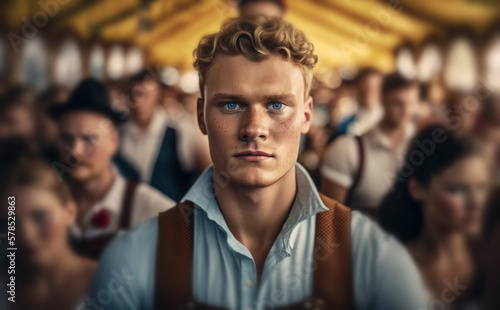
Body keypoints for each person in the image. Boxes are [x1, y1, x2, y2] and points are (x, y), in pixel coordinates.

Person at [89, 16, 428, 310]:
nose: (254, 129)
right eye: (232, 105)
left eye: (277, 105)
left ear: (306, 116)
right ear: (201, 116)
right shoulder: (133, 259)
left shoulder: (377, 260)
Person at [49, 78, 175, 259]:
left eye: (89, 139)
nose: (75, 152)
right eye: (66, 138)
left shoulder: (154, 211)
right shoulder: (45, 202)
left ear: (114, 141)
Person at [379, 125, 490, 307]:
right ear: (417, 189)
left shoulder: (491, 259)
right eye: (457, 189)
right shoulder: (391, 267)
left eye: (480, 188)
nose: (475, 203)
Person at [0, 146, 96, 310]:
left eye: (40, 216)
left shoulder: (106, 279)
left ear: (70, 212)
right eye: (11, 222)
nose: (26, 235)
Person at [320, 73, 419, 218]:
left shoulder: (422, 144)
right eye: (397, 103)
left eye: (411, 103)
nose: (406, 111)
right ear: (382, 100)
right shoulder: (347, 149)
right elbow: (330, 220)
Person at [117, 69, 208, 201]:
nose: (138, 102)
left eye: (144, 95)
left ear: (157, 94)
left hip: (170, 214)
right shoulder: (119, 132)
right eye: (133, 95)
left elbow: (202, 171)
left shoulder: (179, 130)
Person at [336, 67, 384, 136]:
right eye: (365, 87)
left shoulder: (392, 123)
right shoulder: (344, 127)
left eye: (373, 88)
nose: (368, 93)